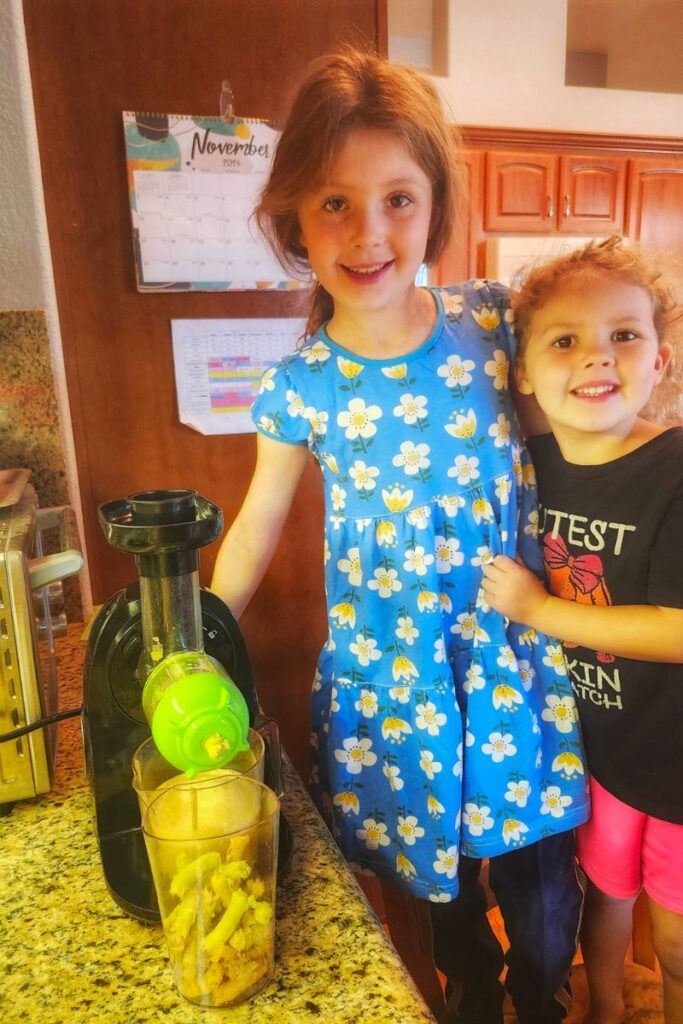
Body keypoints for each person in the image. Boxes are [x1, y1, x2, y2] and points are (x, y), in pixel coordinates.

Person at [211, 48, 588, 1024]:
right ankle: (469, 988)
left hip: (515, 660)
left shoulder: (501, 325)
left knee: (545, 906)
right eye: (333, 202)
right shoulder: (300, 384)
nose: (368, 231)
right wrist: (195, 627)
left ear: (433, 206)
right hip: (394, 682)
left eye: (396, 198)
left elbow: (586, 434)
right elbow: (254, 525)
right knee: (439, 894)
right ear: (292, 215)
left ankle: (539, 1001)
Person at [482, 236, 683, 1024]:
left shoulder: (674, 473)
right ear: (524, 373)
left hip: (674, 765)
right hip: (594, 752)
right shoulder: (531, 463)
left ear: (659, 361)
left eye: (623, 336)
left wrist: (541, 612)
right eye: (565, 340)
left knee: (672, 939)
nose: (596, 358)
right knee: (600, 901)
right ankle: (603, 1011)